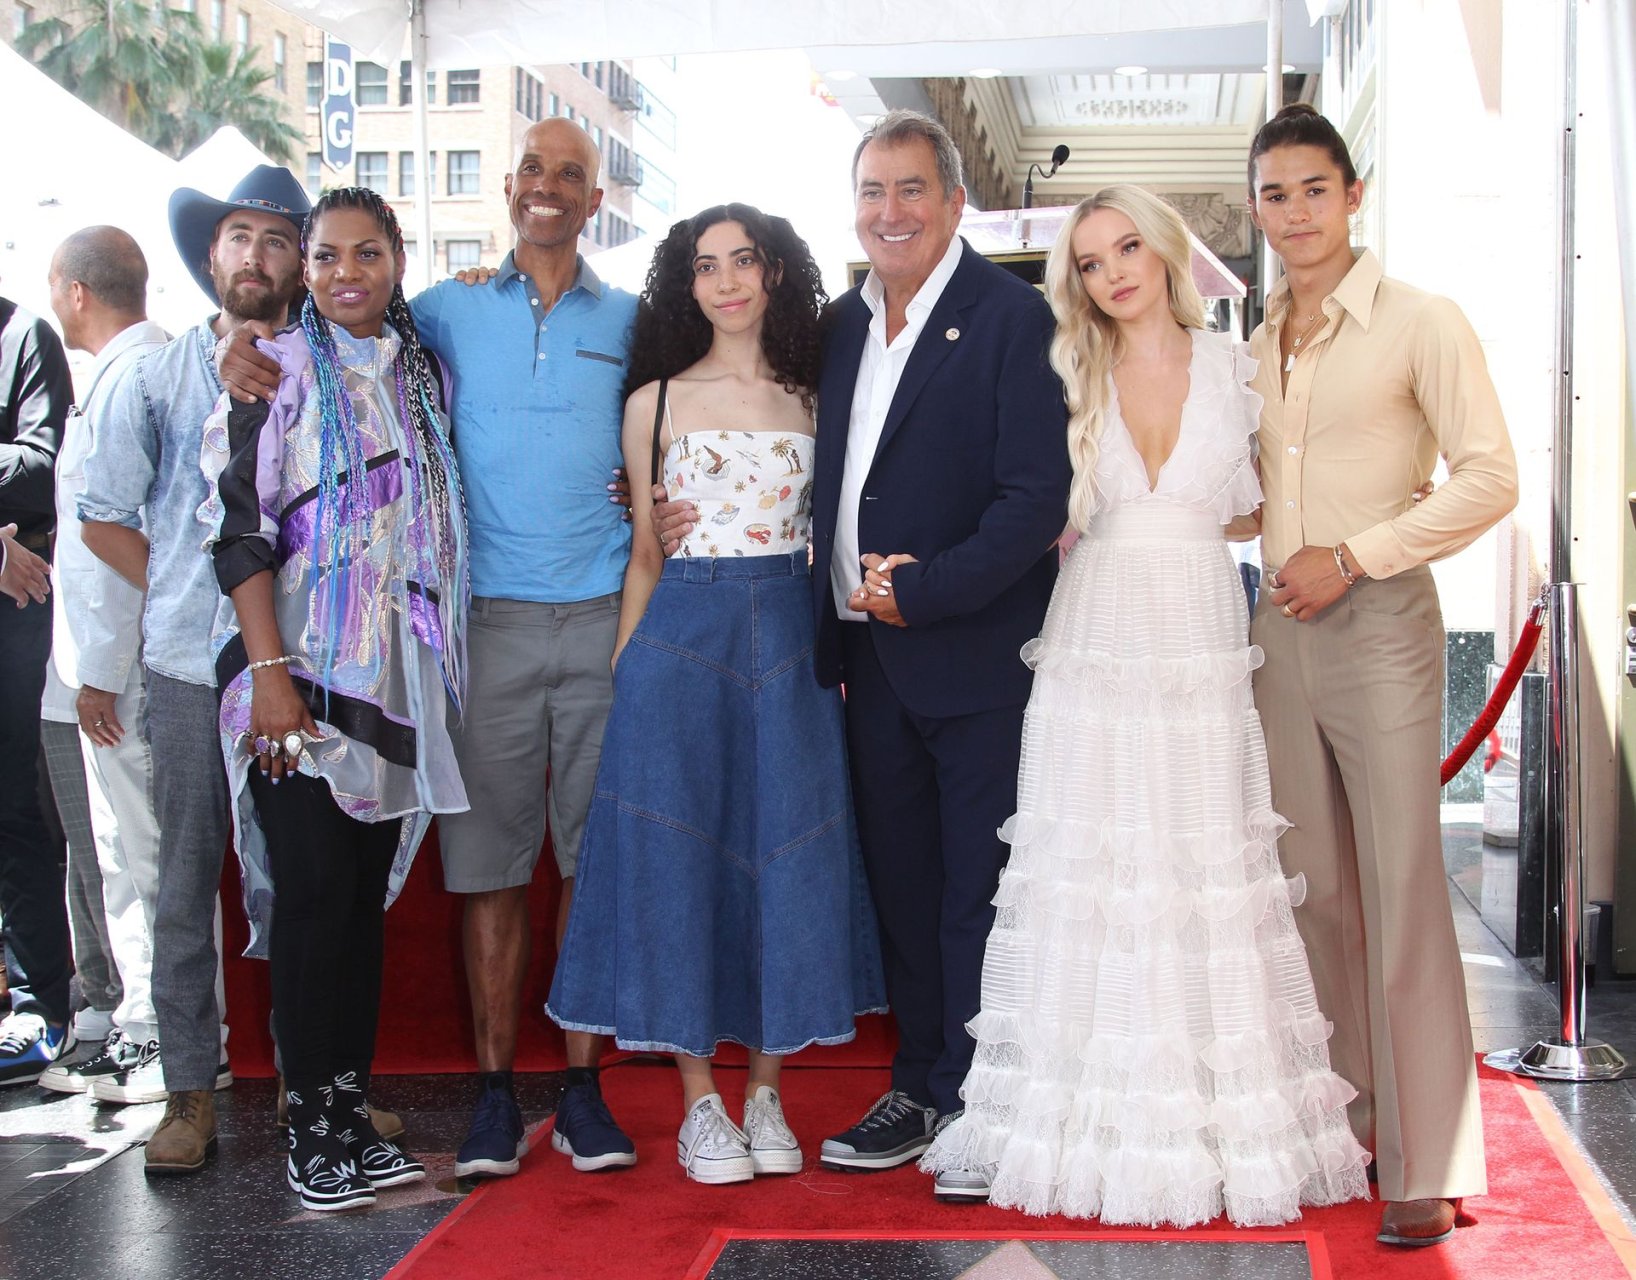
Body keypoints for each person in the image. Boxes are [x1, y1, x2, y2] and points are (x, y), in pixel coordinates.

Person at [920, 185, 1372, 1225]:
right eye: (1089, 261)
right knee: (1092, 862)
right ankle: (1066, 1121)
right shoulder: (1066, 369)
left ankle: (1208, 1126)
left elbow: (1276, 493)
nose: (1113, 272)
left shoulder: (1239, 364)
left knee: (1196, 855)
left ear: (1165, 251)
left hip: (1201, 632)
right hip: (1096, 634)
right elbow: (997, 481)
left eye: (1127, 248)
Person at [220, 119, 639, 1179]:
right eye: (532, 169)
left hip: (504, 646)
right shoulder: (429, 320)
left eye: (571, 174)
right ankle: (460, 1104)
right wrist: (231, 342)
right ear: (506, 186)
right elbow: (244, 501)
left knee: (549, 872)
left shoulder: (594, 327)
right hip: (414, 647)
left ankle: (565, 1093)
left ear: (596, 198)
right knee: (427, 880)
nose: (548, 187)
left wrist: (650, 491)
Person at [659, 111, 1072, 1169]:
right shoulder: (837, 327)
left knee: (977, 889)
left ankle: (981, 1105)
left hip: (974, 658)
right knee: (900, 884)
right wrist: (652, 489)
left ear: (954, 202)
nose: (890, 212)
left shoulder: (1012, 317)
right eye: (872, 191)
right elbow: (749, 423)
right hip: (863, 662)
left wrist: (925, 591)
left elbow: (1035, 499)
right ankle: (918, 1089)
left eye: (911, 189)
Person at [547, 205, 886, 1185]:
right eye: (705, 266)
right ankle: (701, 1101)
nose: (726, 281)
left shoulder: (816, 395)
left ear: (775, 272)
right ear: (683, 284)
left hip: (790, 641)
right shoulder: (651, 401)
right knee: (677, 865)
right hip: (677, 646)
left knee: (787, 859)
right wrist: (628, 669)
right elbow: (645, 557)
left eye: (744, 260)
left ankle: (766, 1092)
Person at [1246, 104, 1518, 1247]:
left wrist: (1354, 554)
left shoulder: (1420, 320)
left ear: (1353, 195)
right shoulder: (1256, 339)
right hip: (1278, 633)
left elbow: (1490, 476)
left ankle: (1427, 1158)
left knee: (1400, 884)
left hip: (1381, 620)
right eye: (1273, 194)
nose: (1294, 212)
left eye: (1313, 188)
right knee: (1314, 892)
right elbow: (1254, 494)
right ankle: (1354, 1125)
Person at [200, 186, 468, 1212]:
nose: (345, 272)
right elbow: (239, 532)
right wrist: (270, 674)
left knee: (358, 903)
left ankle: (350, 1113)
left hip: (391, 680)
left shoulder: (422, 373)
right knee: (312, 896)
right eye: (325, 256)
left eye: (367, 253)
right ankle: (309, 1124)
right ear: (304, 269)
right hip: (295, 676)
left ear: (398, 260)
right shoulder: (274, 371)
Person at [80, 165, 308, 1168]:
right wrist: (187, 583)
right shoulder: (157, 375)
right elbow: (100, 516)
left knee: (301, 876)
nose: (255, 255)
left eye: (276, 238)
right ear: (212, 254)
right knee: (182, 880)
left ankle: (313, 1084)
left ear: (299, 260)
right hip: (183, 665)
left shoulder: (325, 369)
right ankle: (187, 1093)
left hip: (297, 663)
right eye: (239, 236)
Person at [37, 227, 172, 1100]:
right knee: (124, 852)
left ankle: (165, 1034)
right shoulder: (128, 373)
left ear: (77, 291)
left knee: (144, 852)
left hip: (126, 667)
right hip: (110, 662)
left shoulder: (136, 376)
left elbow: (121, 542)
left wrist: (103, 669)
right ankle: (145, 1024)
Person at [0, 291, 74, 1086]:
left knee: (15, 806)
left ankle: (38, 1002)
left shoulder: (24, 336)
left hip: (16, 601)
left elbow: (39, 467)